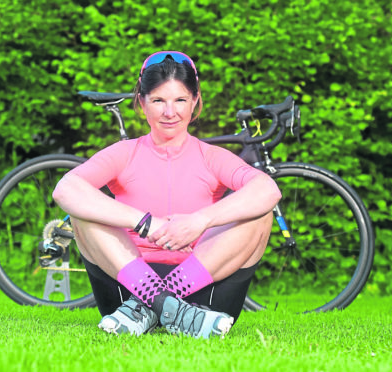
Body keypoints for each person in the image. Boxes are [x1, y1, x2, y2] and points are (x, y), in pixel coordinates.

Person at [53, 51, 282, 339]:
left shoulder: (211, 156)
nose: (169, 112)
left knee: (258, 214)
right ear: (142, 102)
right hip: (126, 291)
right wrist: (145, 222)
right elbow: (65, 189)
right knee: (82, 212)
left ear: (195, 101)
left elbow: (267, 189)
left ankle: (154, 306)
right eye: (159, 100)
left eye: (180, 100)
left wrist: (200, 220)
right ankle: (165, 305)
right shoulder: (125, 153)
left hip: (203, 293)